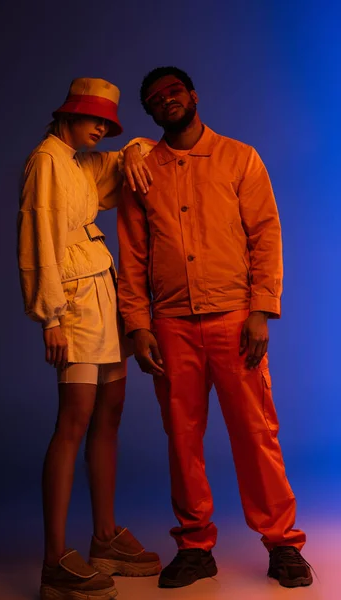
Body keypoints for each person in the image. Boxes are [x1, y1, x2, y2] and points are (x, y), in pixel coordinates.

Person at [117, 66, 313, 590]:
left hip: (233, 318)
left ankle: (282, 544)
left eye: (174, 92)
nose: (167, 101)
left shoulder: (239, 158)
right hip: (171, 326)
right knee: (182, 440)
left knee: (256, 434)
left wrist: (259, 311)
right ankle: (195, 545)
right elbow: (132, 257)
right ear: (151, 113)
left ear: (193, 96)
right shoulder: (142, 170)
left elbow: (265, 235)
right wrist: (138, 326)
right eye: (155, 99)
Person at [18, 77, 161, 600]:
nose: (102, 127)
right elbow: (37, 237)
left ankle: (104, 537)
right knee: (73, 421)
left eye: (108, 121)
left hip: (104, 295)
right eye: (95, 118)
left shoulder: (78, 162)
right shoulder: (47, 161)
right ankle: (54, 561)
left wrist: (137, 148)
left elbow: (126, 158)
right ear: (69, 113)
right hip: (73, 305)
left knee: (112, 411)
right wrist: (50, 316)